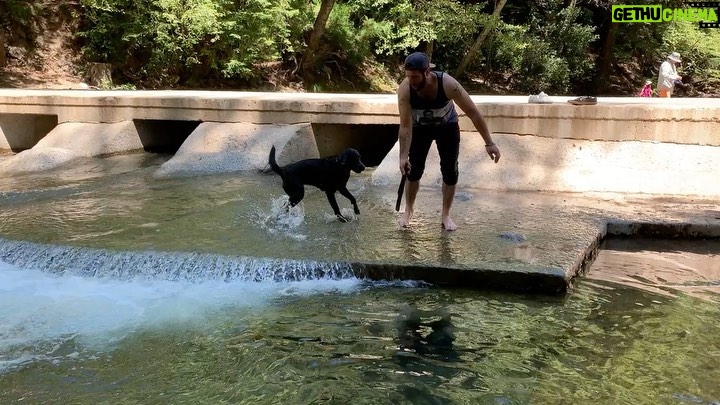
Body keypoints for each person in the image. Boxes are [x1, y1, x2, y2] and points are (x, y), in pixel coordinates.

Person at [397, 52, 500, 231]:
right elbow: (405, 126)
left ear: (427, 72)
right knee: (413, 171)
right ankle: (408, 211)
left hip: (447, 126)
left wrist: (489, 142)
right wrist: (403, 156)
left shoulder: (448, 84)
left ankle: (445, 215)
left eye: (414, 77)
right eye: (408, 76)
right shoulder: (405, 90)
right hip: (419, 128)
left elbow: (473, 112)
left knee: (450, 170)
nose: (411, 81)